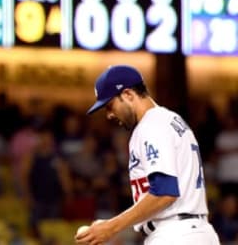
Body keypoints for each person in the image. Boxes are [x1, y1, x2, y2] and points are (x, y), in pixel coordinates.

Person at [75, 65, 220, 244]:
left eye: (110, 105)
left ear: (128, 94)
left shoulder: (151, 125)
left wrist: (111, 227)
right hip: (191, 231)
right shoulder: (169, 119)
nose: (109, 115)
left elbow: (164, 192)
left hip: (175, 233)